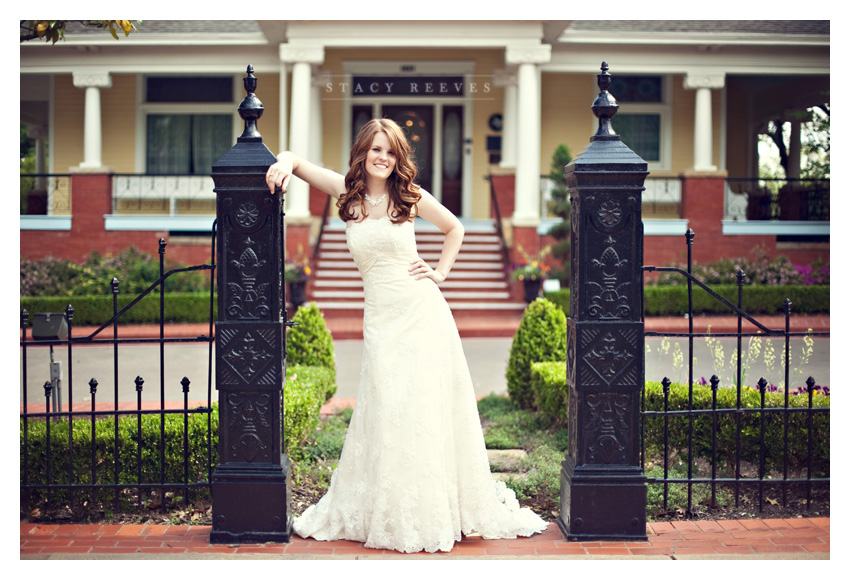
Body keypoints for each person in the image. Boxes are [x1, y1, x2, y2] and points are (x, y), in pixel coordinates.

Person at [266, 118, 547, 553]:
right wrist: (281, 162)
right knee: (387, 404)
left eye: (391, 151)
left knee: (421, 406)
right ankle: (388, 504)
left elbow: (456, 228)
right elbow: (300, 163)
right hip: (380, 317)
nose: (383, 157)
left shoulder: (410, 197)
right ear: (363, 152)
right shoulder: (347, 192)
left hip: (421, 311)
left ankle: (432, 509)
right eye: (376, 149)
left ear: (399, 158)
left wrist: (440, 272)